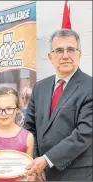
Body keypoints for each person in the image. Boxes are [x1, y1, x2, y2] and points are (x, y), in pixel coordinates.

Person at [24, 29, 92, 181]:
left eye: (71, 50)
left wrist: (47, 160)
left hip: (76, 174)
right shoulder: (40, 87)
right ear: (50, 57)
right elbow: (29, 128)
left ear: (79, 54)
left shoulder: (90, 87)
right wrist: (36, 161)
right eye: (59, 50)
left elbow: (84, 133)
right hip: (40, 173)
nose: (65, 55)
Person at [0, 87, 37, 181]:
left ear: (17, 109)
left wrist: (31, 177)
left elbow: (28, 169)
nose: (3, 113)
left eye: (9, 109)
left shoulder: (27, 137)